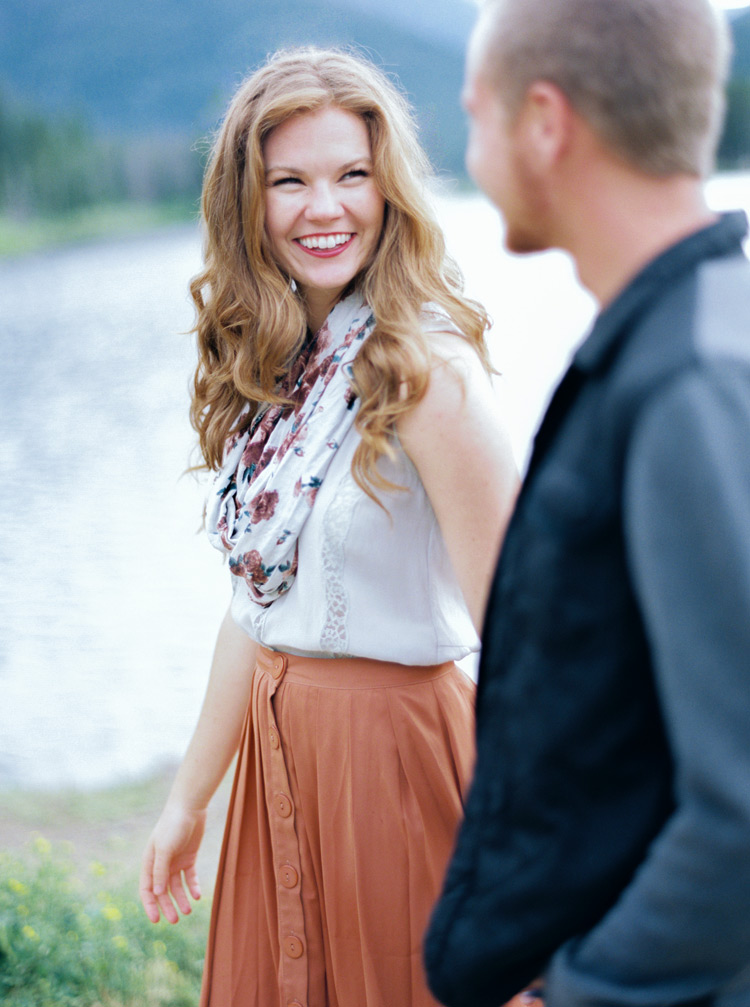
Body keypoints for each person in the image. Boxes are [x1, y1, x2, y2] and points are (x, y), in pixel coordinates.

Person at [138, 46, 519, 1007]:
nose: (326, 208)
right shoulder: (275, 369)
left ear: (389, 191)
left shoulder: (424, 374)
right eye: (291, 181)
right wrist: (191, 800)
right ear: (248, 204)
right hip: (280, 769)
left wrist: (540, 877)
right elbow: (253, 610)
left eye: (353, 175)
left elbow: (531, 635)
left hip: (398, 769)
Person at [425, 1, 750, 1005]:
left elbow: (740, 801)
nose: (469, 147)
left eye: (476, 114)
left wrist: (589, 987)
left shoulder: (689, 377)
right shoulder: (683, 334)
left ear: (546, 124)